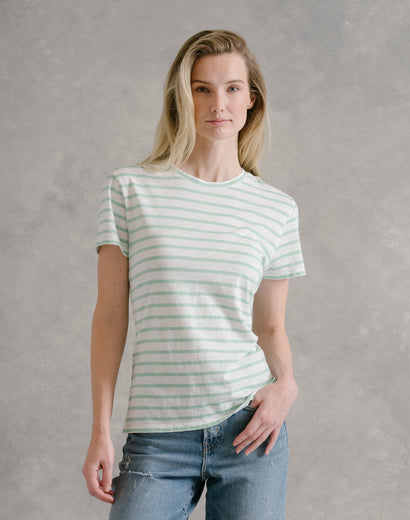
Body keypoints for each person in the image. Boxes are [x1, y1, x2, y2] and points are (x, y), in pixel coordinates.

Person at [82, 29, 306, 520]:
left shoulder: (276, 209)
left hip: (250, 428)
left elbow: (270, 325)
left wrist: (286, 384)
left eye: (232, 88)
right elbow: (110, 316)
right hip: (158, 437)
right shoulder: (129, 189)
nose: (218, 104)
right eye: (202, 88)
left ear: (251, 99)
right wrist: (100, 428)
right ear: (182, 98)